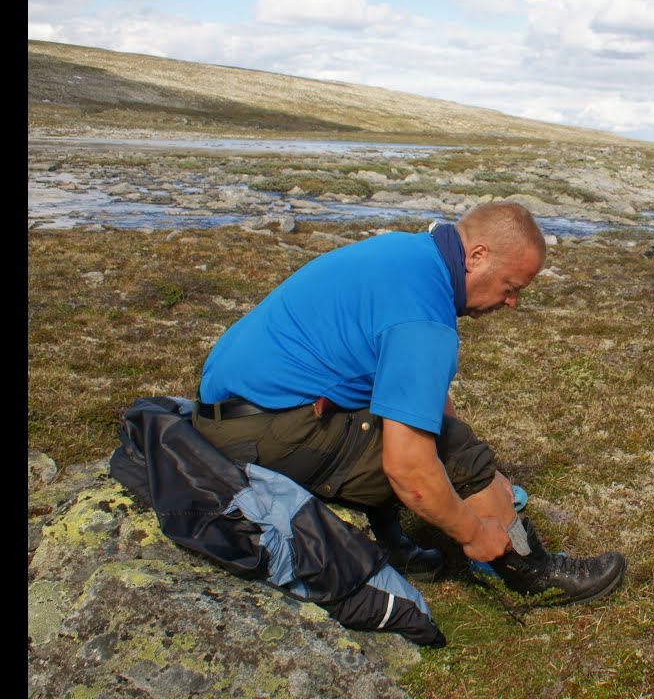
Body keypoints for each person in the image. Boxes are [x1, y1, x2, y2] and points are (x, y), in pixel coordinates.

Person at [190, 200, 626, 611]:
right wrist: (473, 527)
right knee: (449, 451)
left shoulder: (408, 253)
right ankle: (530, 574)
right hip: (264, 434)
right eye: (511, 288)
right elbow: (409, 468)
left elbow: (422, 401)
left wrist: (474, 473)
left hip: (226, 414)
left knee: (415, 426)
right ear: (476, 256)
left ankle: (391, 545)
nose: (511, 303)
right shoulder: (423, 317)